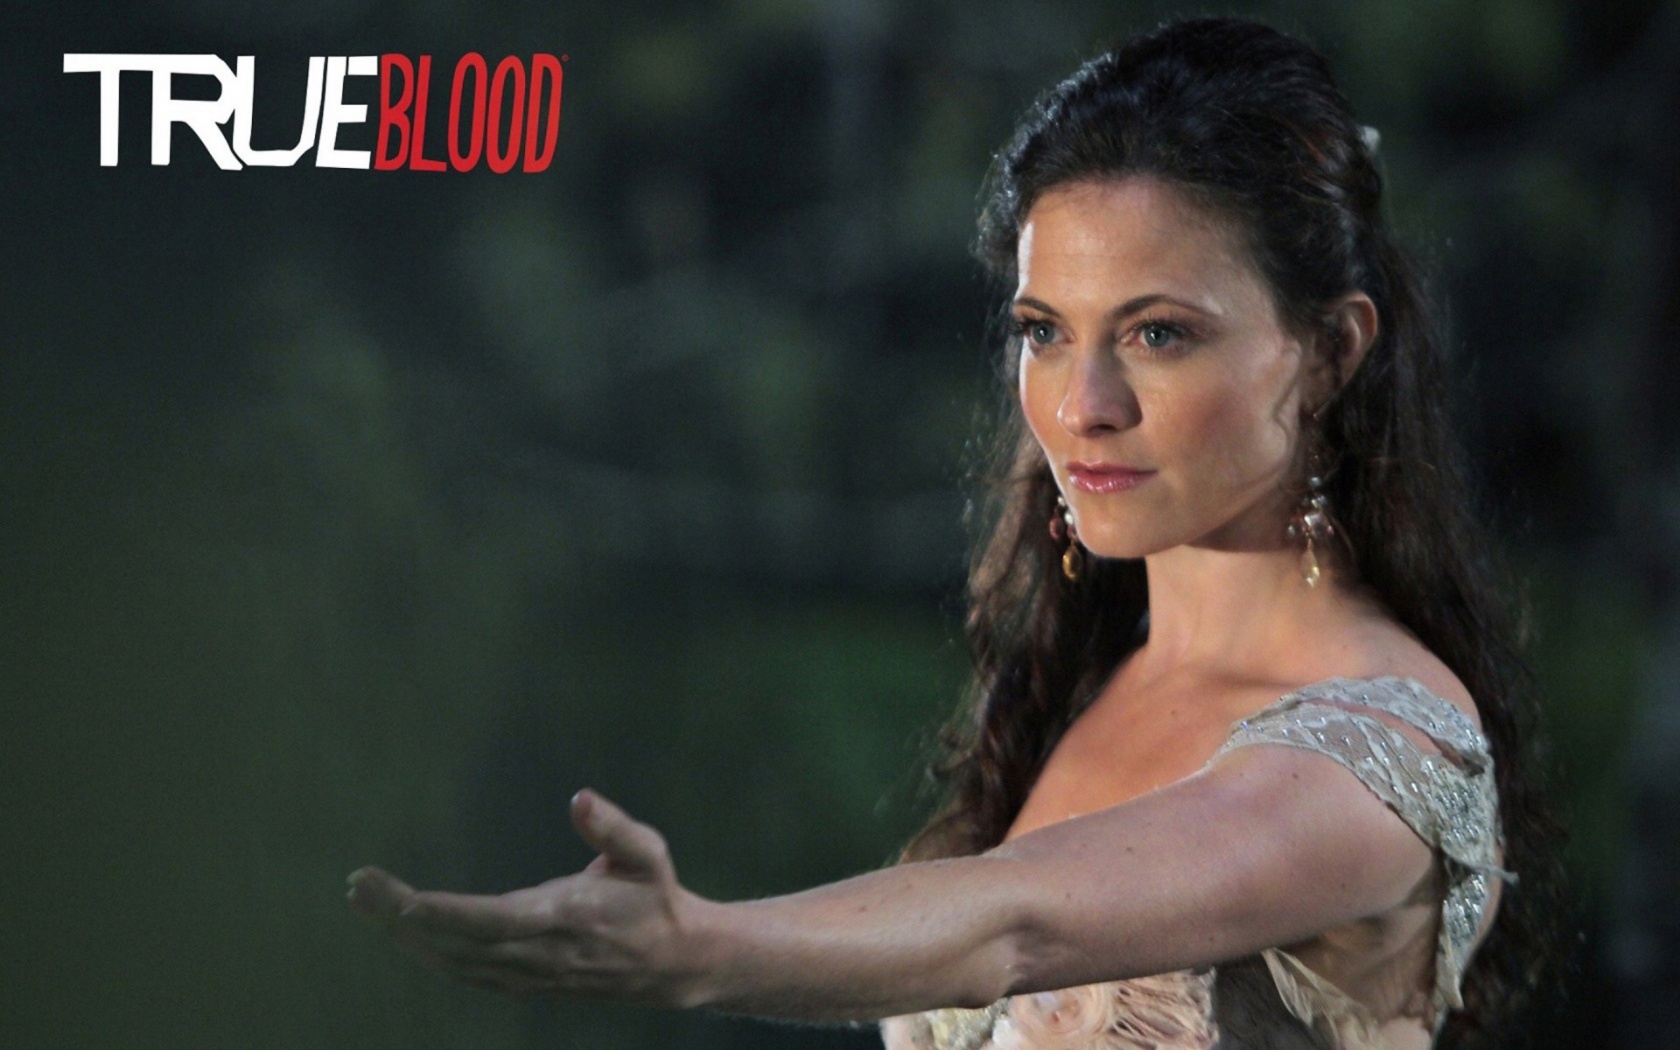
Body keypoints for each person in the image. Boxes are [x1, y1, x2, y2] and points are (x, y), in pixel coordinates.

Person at [347, 17, 1558, 1049]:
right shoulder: (1095, 675)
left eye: (1158, 334)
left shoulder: (1384, 749)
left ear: (1332, 349)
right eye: (1045, 332)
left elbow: (1013, 925)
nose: (1083, 405)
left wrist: (699, 946)